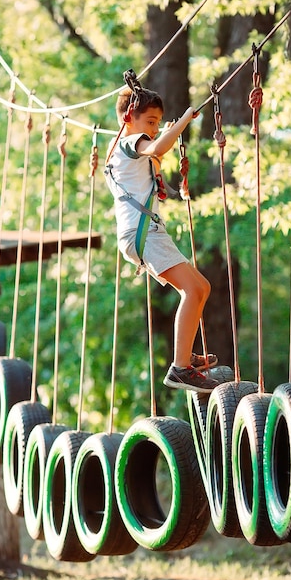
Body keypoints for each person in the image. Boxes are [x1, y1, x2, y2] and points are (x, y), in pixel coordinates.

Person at [104, 84, 219, 394]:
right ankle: (180, 368)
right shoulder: (131, 142)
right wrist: (182, 122)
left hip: (143, 232)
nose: (154, 130)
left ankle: (185, 356)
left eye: (157, 123)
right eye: (151, 122)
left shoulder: (121, 150)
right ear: (129, 117)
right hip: (144, 233)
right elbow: (155, 149)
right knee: (193, 290)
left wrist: (161, 182)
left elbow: (150, 169)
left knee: (202, 288)